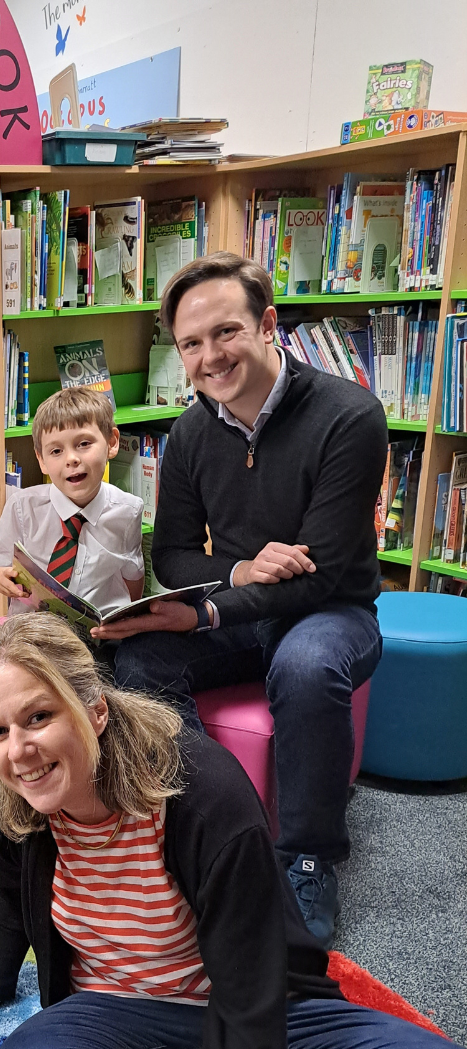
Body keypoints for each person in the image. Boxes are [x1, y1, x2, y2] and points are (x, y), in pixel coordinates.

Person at [0, 613, 459, 1049]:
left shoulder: (200, 790)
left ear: (96, 712)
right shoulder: (13, 801)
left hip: (253, 1002)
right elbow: (13, 900)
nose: (18, 751)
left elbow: (252, 985)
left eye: (38, 717)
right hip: (112, 1009)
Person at [99, 252, 385, 946]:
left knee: (306, 667)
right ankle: (205, 828)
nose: (209, 357)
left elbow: (323, 573)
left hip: (333, 610)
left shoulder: (350, 416)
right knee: (136, 662)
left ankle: (306, 858)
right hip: (240, 610)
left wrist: (208, 607)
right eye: (191, 344)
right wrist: (238, 574)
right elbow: (169, 556)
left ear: (267, 324)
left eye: (224, 332)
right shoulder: (192, 431)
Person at [0, 385, 144, 645]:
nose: (72, 459)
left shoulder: (128, 510)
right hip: (32, 639)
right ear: (41, 460)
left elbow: (133, 578)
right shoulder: (23, 507)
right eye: (56, 451)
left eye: (84, 444)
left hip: (97, 640)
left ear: (112, 443)